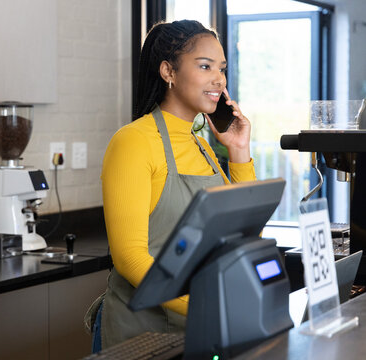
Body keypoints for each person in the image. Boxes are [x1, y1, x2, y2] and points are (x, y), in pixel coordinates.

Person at [86, 19, 257, 351]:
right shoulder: (133, 142)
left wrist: (238, 151)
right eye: (205, 66)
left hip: (196, 329)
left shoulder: (202, 146)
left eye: (221, 68)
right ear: (168, 72)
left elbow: (243, 238)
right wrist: (207, 306)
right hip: (141, 336)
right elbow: (130, 258)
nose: (219, 79)